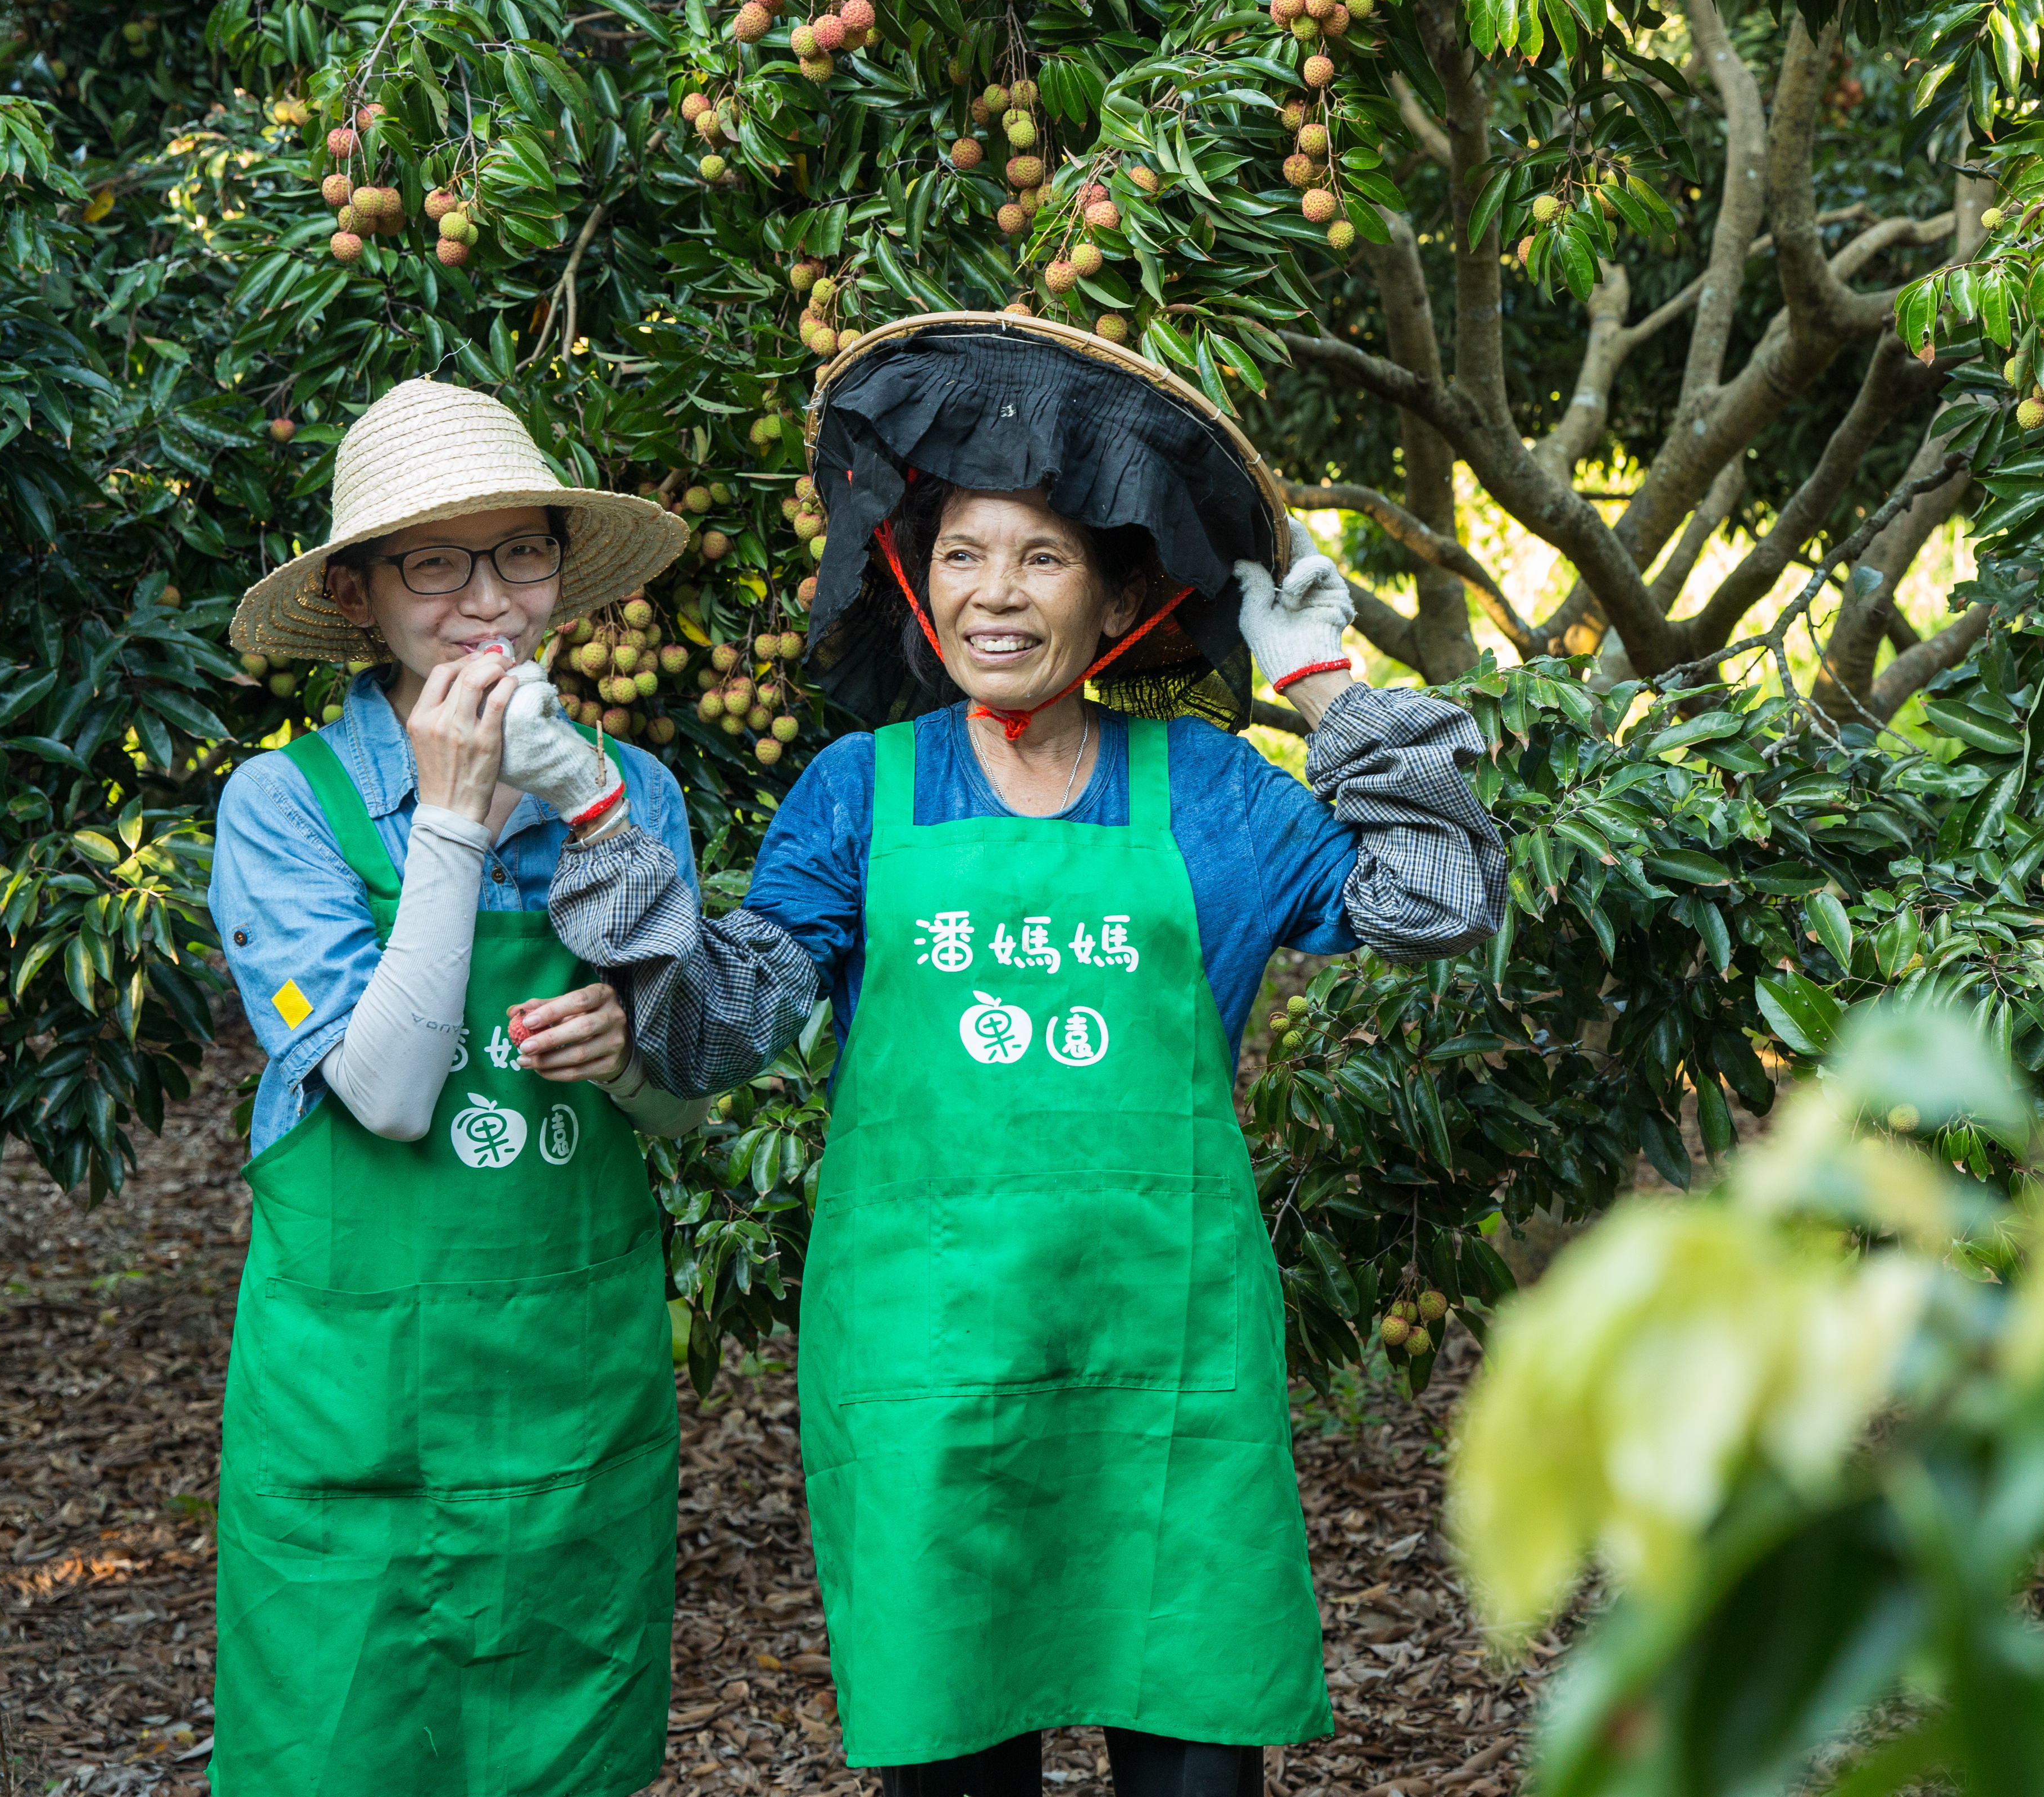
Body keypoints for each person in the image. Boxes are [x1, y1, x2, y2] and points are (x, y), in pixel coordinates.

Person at [545, 313, 1507, 1797]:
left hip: (1163, 1380)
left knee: (1194, 1766)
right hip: (932, 1382)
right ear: (916, 583)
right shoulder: (858, 794)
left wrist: (1324, 685)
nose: (996, 594)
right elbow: (713, 1030)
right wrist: (606, 834)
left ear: (1117, 593)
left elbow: (1439, 906)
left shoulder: (1200, 790)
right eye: (963, 555)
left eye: (1042, 557)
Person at [205, 378, 706, 1797]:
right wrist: (452, 821)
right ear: (358, 597)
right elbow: (388, 1096)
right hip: (353, 1423)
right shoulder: (286, 807)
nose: (487, 601)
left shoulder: (630, 797)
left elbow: (688, 1109)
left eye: (522, 554)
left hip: (569, 1410)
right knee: (340, 1751)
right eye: (435, 562)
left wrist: (631, 1065)